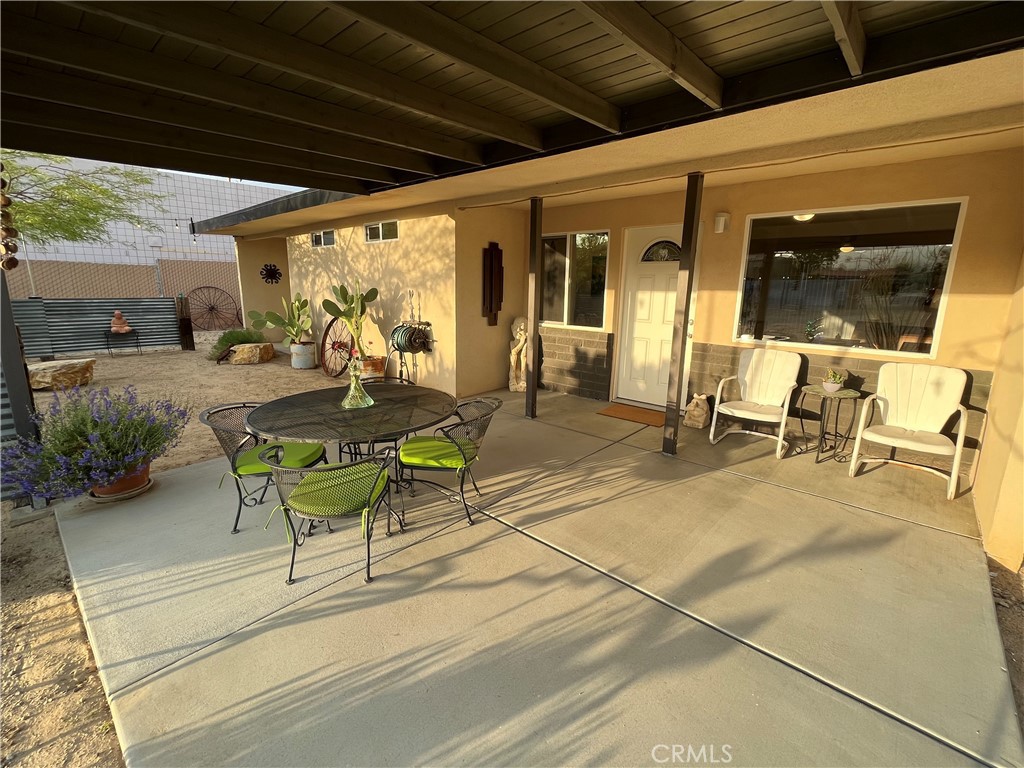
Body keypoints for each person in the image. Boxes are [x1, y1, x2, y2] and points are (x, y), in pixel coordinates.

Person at [508, 316, 528, 392]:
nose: (518, 330)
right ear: (512, 328)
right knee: (512, 359)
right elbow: (514, 353)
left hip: (522, 373)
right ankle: (512, 382)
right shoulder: (512, 343)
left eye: (521, 328)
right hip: (515, 373)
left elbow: (523, 356)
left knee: (523, 357)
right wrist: (521, 343)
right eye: (516, 327)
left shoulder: (526, 344)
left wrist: (523, 343)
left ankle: (523, 381)